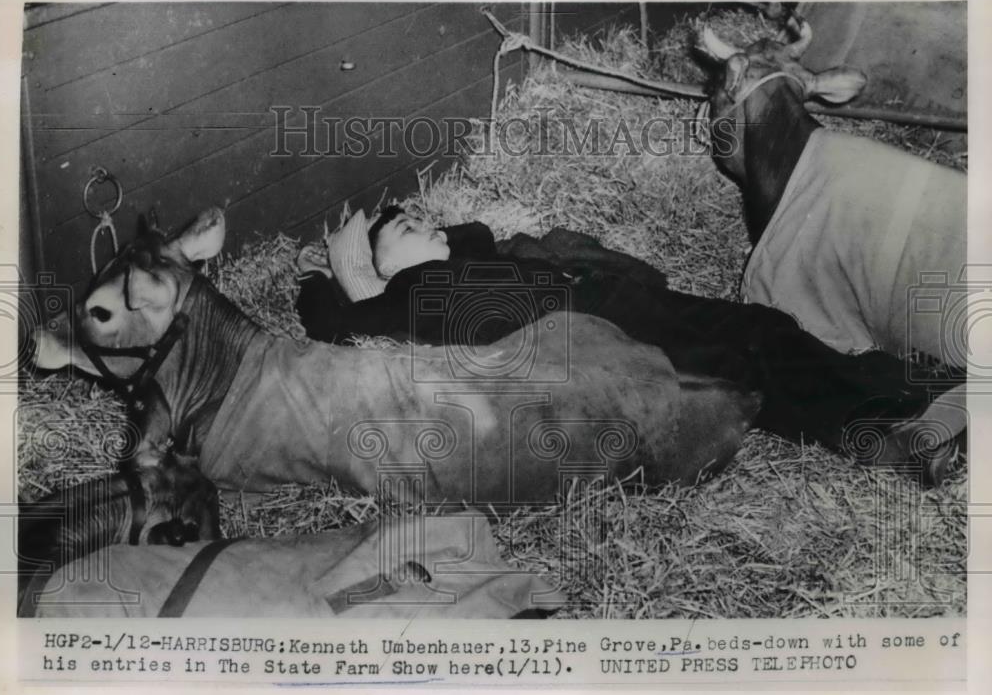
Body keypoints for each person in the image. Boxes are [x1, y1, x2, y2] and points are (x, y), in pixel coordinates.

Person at [295, 206, 960, 481]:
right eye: (402, 225)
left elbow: (469, 232)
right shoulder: (399, 303)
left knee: (761, 327)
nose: (422, 217)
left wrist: (415, 242)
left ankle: (899, 386)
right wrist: (350, 273)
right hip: (596, 336)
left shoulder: (468, 254)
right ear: (380, 267)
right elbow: (328, 319)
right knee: (742, 358)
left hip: (609, 300)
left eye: (422, 211)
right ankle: (892, 434)